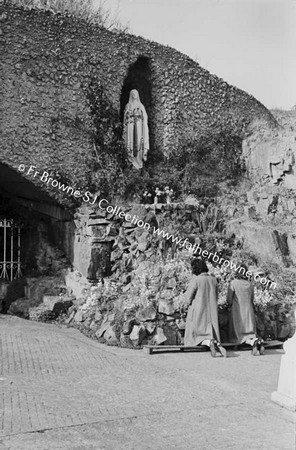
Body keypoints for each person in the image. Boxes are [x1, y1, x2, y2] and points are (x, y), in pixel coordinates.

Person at [184, 258, 227, 357]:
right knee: (209, 333)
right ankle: (213, 341)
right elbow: (216, 296)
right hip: (212, 314)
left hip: (198, 312)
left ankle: (209, 342)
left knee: (196, 336)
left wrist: (188, 305)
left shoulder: (196, 280)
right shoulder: (213, 280)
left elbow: (187, 299)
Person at [227, 264, 264, 355]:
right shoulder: (250, 284)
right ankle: (255, 341)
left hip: (237, 311)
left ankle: (253, 342)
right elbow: (252, 299)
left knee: (239, 335)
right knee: (249, 333)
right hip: (249, 311)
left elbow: (229, 300)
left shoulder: (233, 283)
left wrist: (229, 305)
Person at [123, 89, 149, 170]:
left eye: (135, 93)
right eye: (132, 94)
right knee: (130, 142)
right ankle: (131, 162)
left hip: (138, 126)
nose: (134, 95)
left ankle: (138, 163)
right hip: (130, 127)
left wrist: (140, 120)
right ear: (130, 95)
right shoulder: (128, 105)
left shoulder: (140, 106)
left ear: (138, 95)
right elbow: (125, 118)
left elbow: (145, 117)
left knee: (138, 142)